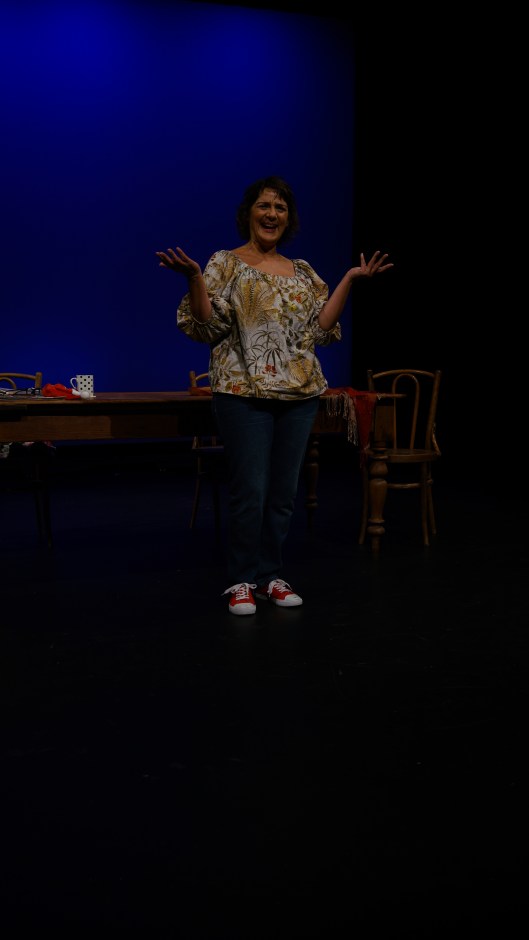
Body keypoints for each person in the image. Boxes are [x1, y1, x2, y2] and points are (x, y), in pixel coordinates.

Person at [156, 175, 392, 616]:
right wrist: (194, 278)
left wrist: (350, 278)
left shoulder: (301, 271)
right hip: (243, 390)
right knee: (251, 489)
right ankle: (241, 579)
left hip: (299, 393)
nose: (272, 214)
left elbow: (321, 327)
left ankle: (269, 576)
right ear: (249, 213)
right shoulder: (226, 263)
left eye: (280, 208)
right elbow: (205, 323)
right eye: (264, 206)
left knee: (283, 492)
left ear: (289, 218)